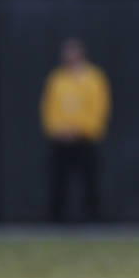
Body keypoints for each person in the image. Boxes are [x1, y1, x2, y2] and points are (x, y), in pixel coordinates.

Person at [40, 38, 111, 222]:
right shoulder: (57, 79)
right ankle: (55, 221)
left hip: (85, 138)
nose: (70, 57)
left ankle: (93, 219)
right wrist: (58, 129)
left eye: (74, 53)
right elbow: (49, 107)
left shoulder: (94, 78)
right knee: (58, 181)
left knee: (89, 181)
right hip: (61, 138)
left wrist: (82, 129)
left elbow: (99, 107)